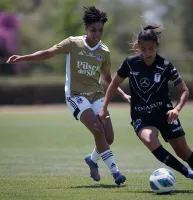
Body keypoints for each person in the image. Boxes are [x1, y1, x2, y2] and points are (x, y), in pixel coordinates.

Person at [6, 6, 130, 185]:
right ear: (86, 28)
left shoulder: (104, 51)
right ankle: (116, 172)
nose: (97, 34)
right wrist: (23, 58)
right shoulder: (73, 43)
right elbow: (48, 53)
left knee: (108, 137)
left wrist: (123, 94)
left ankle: (92, 160)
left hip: (96, 95)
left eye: (100, 30)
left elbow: (107, 78)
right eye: (93, 30)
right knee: (97, 129)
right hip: (76, 95)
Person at [100, 23, 193, 183]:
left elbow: (184, 90)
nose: (147, 52)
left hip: (165, 114)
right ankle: (190, 174)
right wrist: (104, 107)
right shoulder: (130, 63)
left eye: (151, 48)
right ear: (139, 46)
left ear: (157, 46)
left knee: (183, 152)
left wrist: (177, 109)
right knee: (149, 139)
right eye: (143, 48)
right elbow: (113, 84)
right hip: (141, 115)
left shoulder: (165, 65)